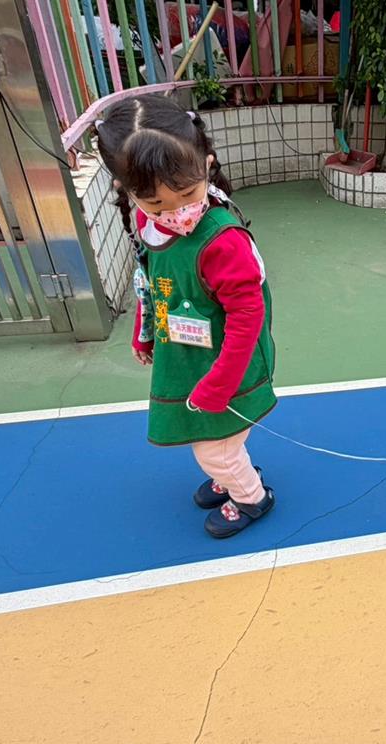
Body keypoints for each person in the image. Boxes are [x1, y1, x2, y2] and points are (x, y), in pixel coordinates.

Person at [95, 94, 276, 538]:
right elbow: (153, 282)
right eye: (156, 203)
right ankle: (230, 469)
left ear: (206, 165)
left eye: (188, 194)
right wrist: (145, 332)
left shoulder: (222, 242)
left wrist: (221, 384)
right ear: (127, 190)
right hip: (192, 351)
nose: (176, 213)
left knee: (214, 447)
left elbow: (247, 316)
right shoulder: (148, 225)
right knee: (217, 439)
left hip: (225, 362)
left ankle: (250, 496)